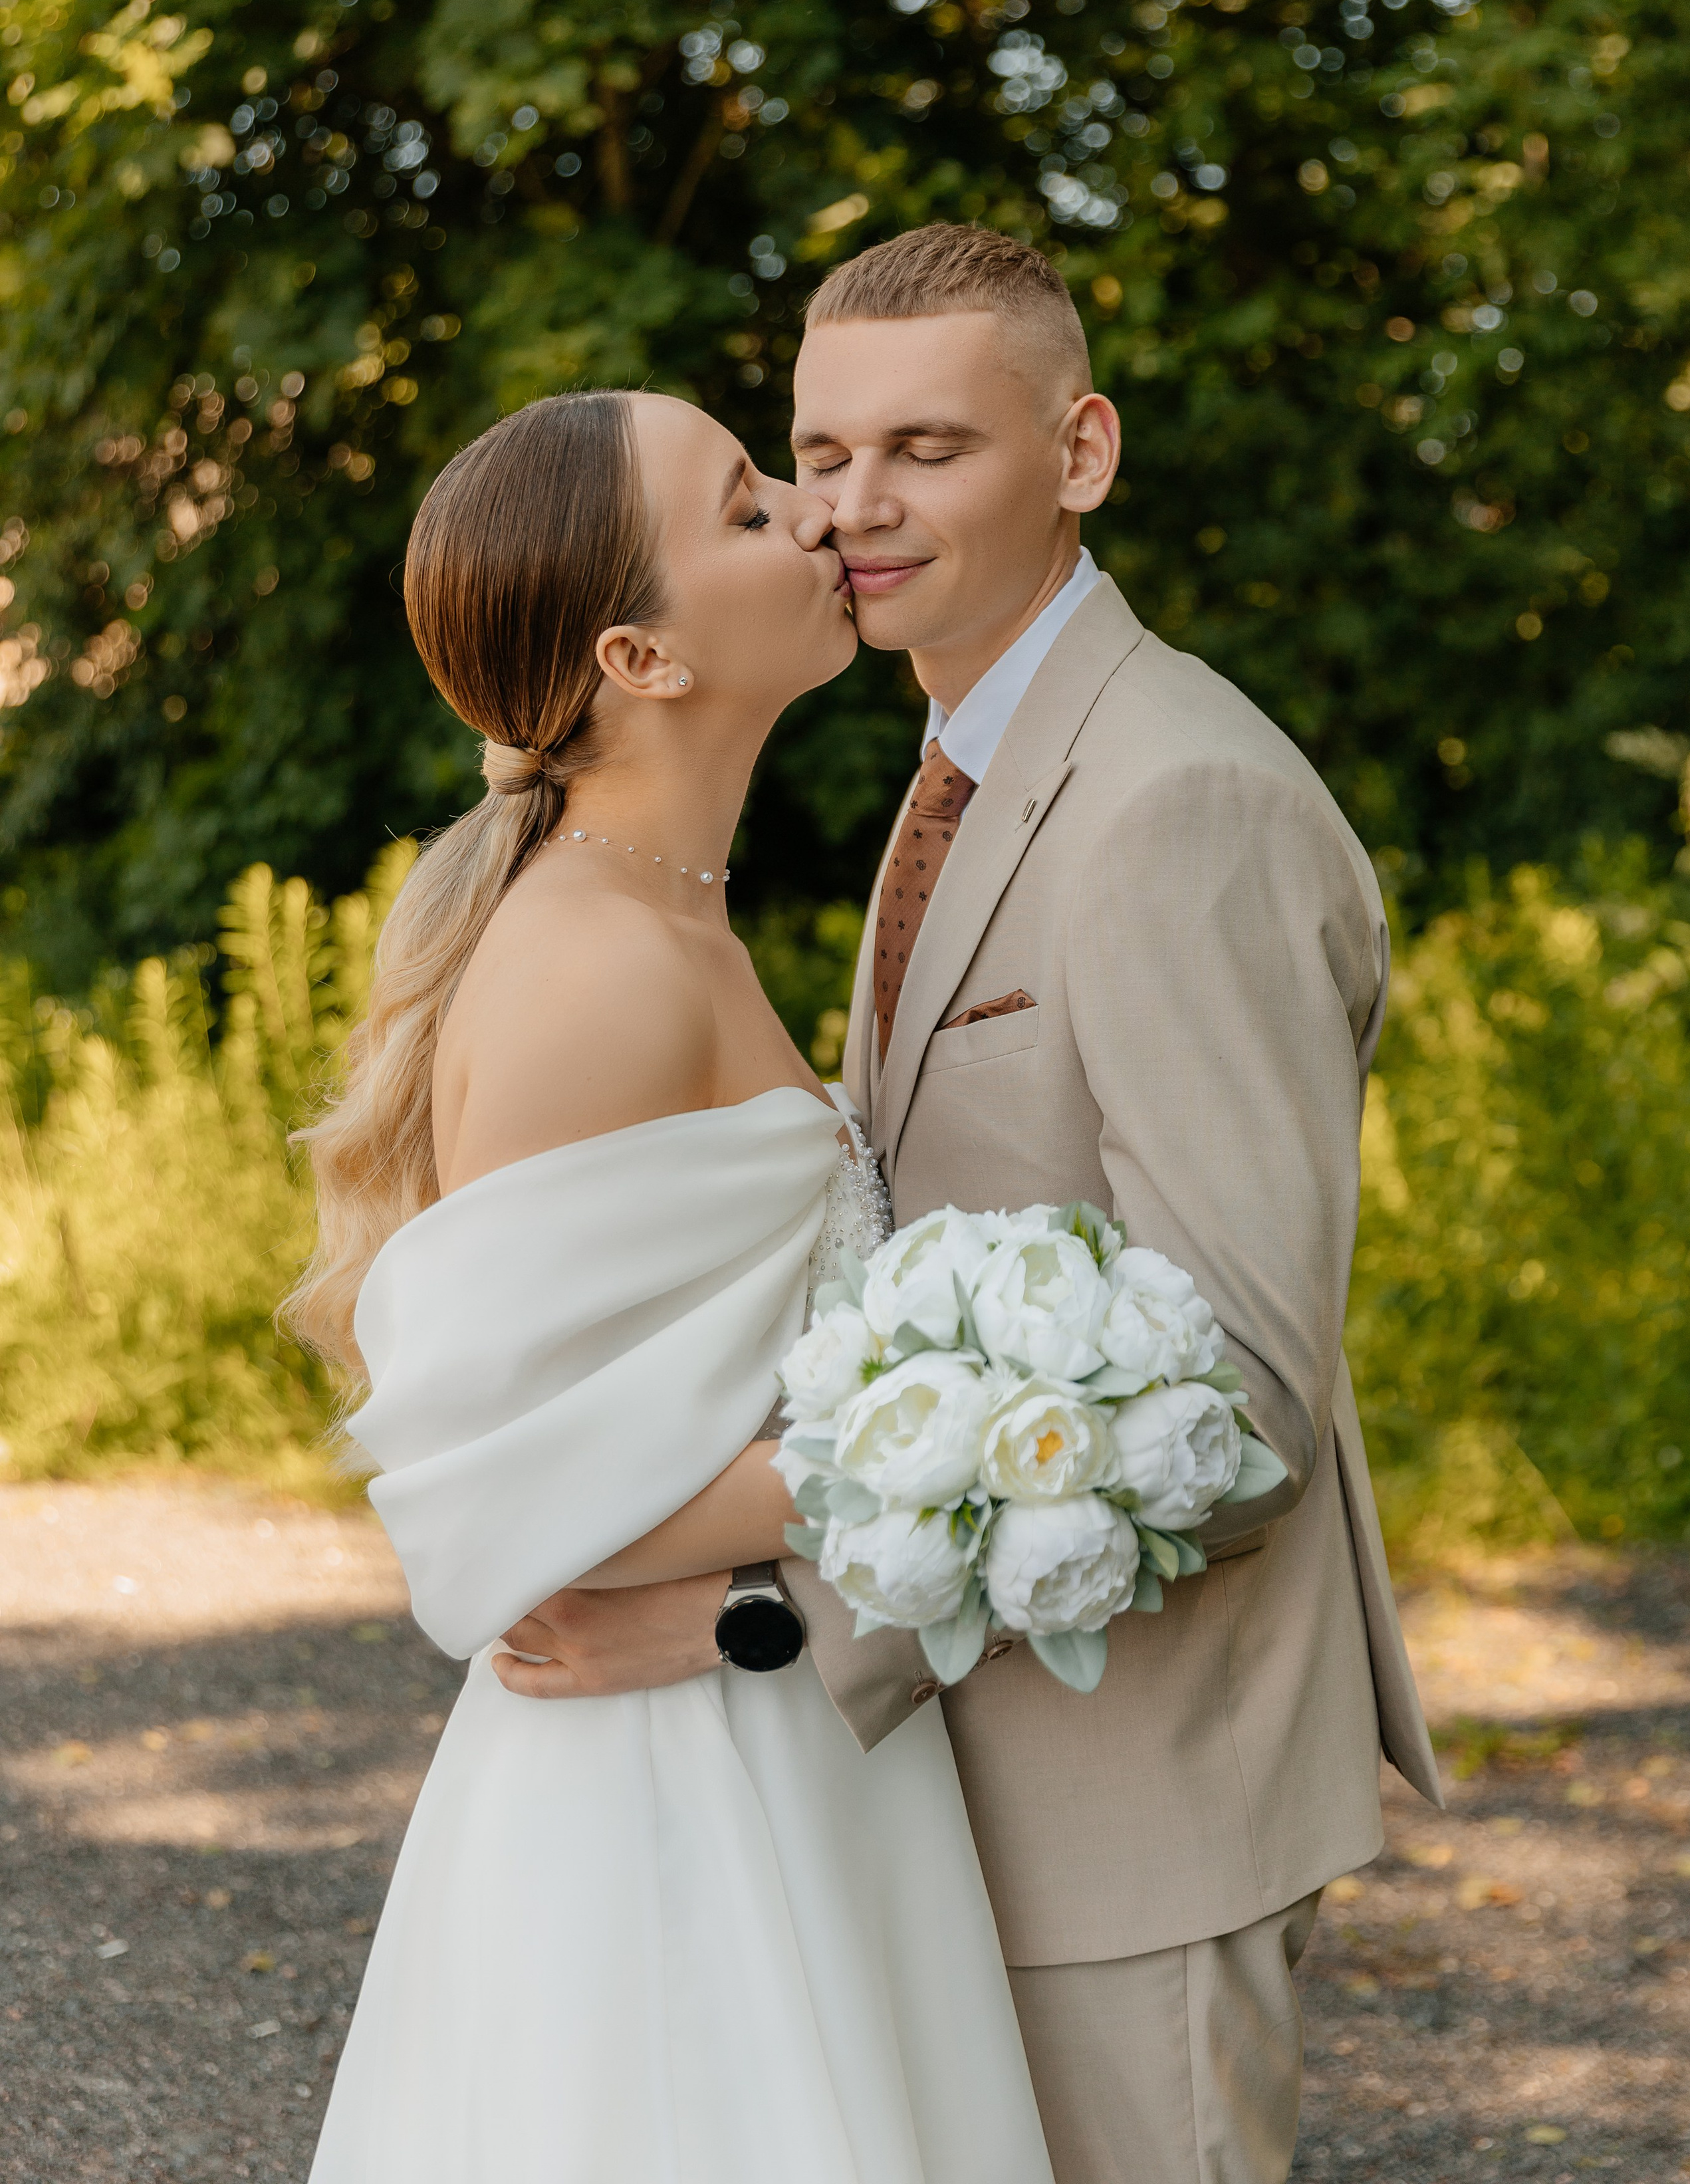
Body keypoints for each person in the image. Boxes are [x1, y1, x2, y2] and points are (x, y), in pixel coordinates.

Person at [509, 224, 1444, 2184]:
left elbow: (1238, 1407)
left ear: (1080, 452)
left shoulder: (1182, 797)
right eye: (818, 455)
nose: (856, 508)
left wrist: (756, 1627)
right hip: (960, 1780)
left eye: (928, 449)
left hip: (1141, 1792)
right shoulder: (960, 763)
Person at [296, 387, 1055, 2184]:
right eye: (742, 508)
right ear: (639, 653)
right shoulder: (593, 969)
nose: (811, 516)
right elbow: (503, 1514)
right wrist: (968, 1435)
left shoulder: (671, 913)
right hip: (667, 1800)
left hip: (773, 1729)